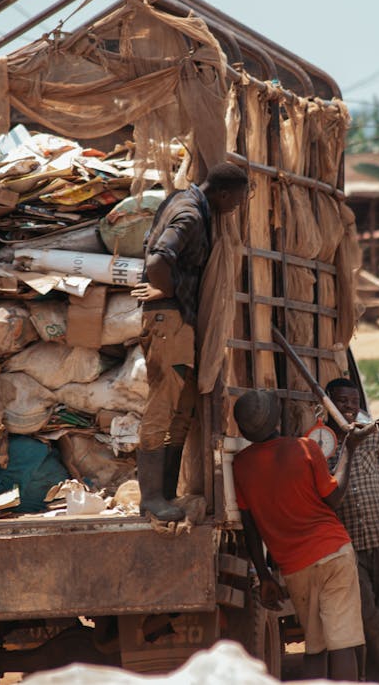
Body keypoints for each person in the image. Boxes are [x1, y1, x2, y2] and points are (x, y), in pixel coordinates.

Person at [130, 162, 248, 521]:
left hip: (178, 322)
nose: (238, 206)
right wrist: (164, 288)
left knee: (181, 408)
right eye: (239, 199)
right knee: (164, 404)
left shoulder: (190, 203)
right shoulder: (191, 214)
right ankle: (150, 497)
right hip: (171, 321)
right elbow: (159, 258)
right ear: (225, 194)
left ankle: (165, 494)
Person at [233, 389, 372, 681]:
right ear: (275, 419)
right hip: (334, 552)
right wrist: (350, 448)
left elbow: (250, 527)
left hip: (295, 566)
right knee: (343, 644)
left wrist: (265, 576)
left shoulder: (241, 466)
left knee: (315, 647)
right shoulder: (305, 448)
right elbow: (334, 499)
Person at [325, 378, 379, 685]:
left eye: (353, 402)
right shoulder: (322, 442)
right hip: (347, 544)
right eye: (341, 402)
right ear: (328, 403)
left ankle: (374, 676)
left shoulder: (373, 435)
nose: (348, 408)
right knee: (369, 618)